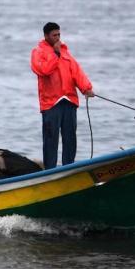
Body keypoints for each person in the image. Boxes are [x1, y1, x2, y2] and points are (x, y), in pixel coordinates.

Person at [30, 22, 94, 169]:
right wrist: (55, 54)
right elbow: (44, 70)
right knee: (51, 139)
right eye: (54, 35)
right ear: (46, 36)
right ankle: (50, 170)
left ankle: (68, 168)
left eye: (59, 34)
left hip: (69, 100)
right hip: (51, 103)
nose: (58, 37)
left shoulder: (65, 52)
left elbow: (76, 71)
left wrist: (86, 88)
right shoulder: (38, 52)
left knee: (70, 138)